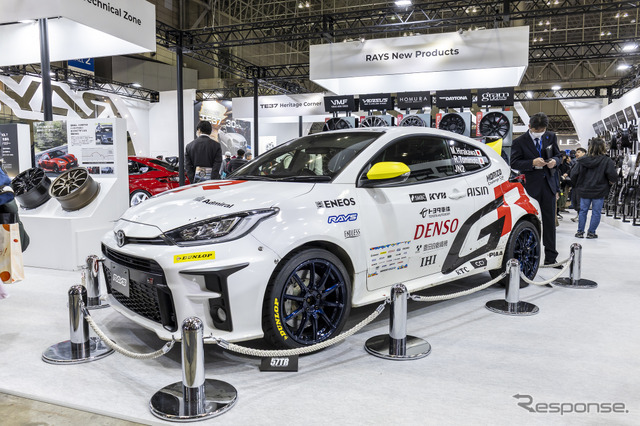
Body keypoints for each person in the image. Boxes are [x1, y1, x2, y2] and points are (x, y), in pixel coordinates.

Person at [511, 112, 562, 266]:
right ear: (529, 127)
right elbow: (514, 163)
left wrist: (555, 161)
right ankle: (528, 255)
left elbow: (559, 155)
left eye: (542, 130)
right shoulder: (519, 141)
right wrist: (532, 163)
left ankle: (551, 257)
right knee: (529, 221)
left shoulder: (550, 137)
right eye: (536, 131)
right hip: (530, 187)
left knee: (549, 222)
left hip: (548, 185)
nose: (539, 133)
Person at [570, 138, 616, 239]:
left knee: (583, 211)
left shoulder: (582, 160)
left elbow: (574, 174)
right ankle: (591, 232)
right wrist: (610, 182)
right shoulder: (607, 160)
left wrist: (576, 185)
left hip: (584, 189)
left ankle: (580, 232)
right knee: (596, 212)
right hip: (600, 190)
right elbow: (612, 175)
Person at [570, 147, 587, 222]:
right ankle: (579, 216)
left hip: (580, 185)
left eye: (579, 152)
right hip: (576, 185)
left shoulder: (584, 162)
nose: (576, 154)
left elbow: (575, 174)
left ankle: (581, 218)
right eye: (576, 152)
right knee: (576, 202)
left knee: (579, 203)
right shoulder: (578, 162)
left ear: (584, 153)